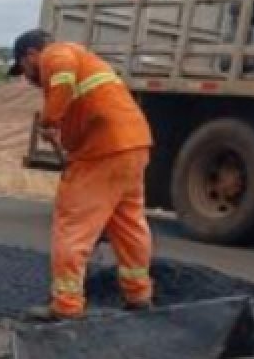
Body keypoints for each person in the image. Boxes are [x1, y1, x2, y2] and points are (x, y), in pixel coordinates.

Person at [8, 28, 154, 320]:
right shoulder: (85, 60)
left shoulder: (56, 54)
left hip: (102, 152)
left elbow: (62, 75)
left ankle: (66, 306)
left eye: (24, 69)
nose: (27, 77)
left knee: (72, 227)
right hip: (133, 145)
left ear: (31, 55)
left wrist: (50, 120)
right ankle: (139, 295)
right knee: (128, 225)